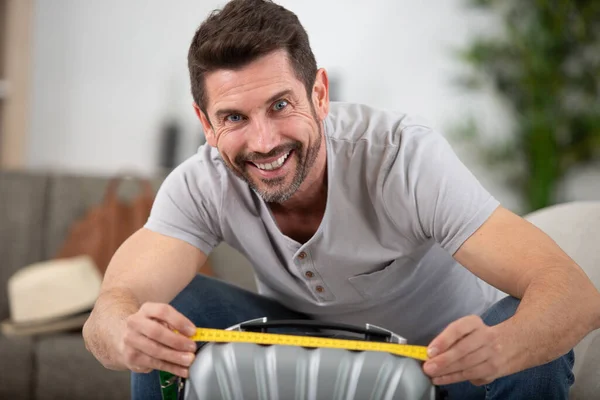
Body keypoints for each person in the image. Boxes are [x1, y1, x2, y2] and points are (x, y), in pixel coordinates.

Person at [82, 0, 600, 399]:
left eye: (280, 105)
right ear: (206, 123)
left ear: (321, 94)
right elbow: (110, 308)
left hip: (445, 369)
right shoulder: (202, 181)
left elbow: (574, 293)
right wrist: (126, 335)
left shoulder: (402, 158)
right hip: (304, 354)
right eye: (234, 117)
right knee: (162, 313)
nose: (263, 142)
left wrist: (501, 349)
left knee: (531, 346)